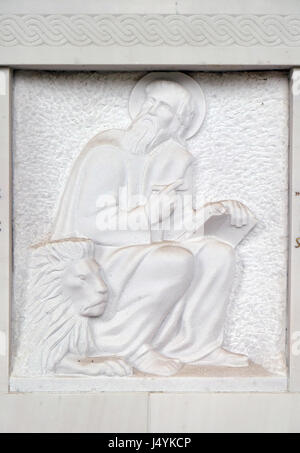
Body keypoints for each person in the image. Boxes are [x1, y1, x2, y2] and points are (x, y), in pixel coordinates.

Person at [51, 73, 253, 376]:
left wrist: (213, 212)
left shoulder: (174, 159)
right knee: (174, 259)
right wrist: (146, 215)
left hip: (144, 249)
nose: (150, 110)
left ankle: (198, 345)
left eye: (162, 107)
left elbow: (171, 231)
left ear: (178, 121)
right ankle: (125, 345)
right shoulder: (109, 152)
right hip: (101, 254)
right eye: (150, 101)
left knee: (218, 254)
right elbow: (88, 224)